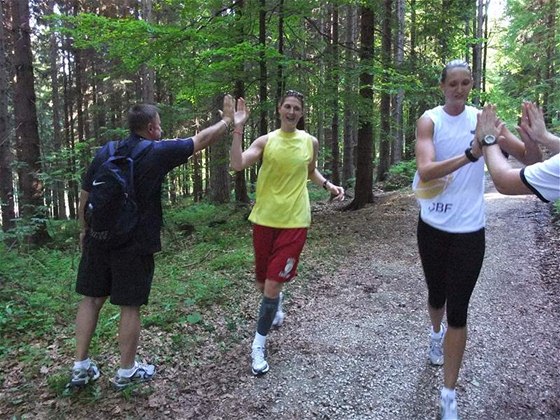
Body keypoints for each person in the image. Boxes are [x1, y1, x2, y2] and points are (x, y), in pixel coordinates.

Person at [68, 95, 239, 390]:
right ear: (150, 127)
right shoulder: (155, 152)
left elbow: (85, 194)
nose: (160, 132)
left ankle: (80, 368)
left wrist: (85, 230)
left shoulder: (106, 151)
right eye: (158, 126)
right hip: (134, 242)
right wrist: (227, 121)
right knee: (130, 306)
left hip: (98, 238)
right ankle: (126, 372)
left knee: (91, 300)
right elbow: (201, 140)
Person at [412, 60, 530, 420]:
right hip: (433, 226)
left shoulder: (483, 120)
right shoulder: (429, 120)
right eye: (453, 83)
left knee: (459, 310)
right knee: (437, 296)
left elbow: (529, 156)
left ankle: (448, 394)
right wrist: (471, 153)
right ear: (442, 85)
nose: (459, 89)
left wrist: (529, 136)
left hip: (469, 231)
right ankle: (435, 333)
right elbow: (425, 170)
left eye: (465, 83)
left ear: (472, 84)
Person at [229, 90, 344, 375]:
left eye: (297, 108)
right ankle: (275, 302)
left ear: (301, 113)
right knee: (263, 283)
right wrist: (238, 128)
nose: (292, 112)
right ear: (280, 109)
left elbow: (310, 171)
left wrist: (327, 185)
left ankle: (258, 345)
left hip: (295, 222)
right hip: (265, 220)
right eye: (287, 107)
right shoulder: (266, 141)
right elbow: (237, 164)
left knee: (271, 286)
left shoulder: (309, 142)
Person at [476, 102, 559, 202]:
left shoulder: (483, 119)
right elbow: (534, 162)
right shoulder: (485, 117)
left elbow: (504, 183)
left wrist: (488, 140)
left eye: (465, 84)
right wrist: (544, 137)